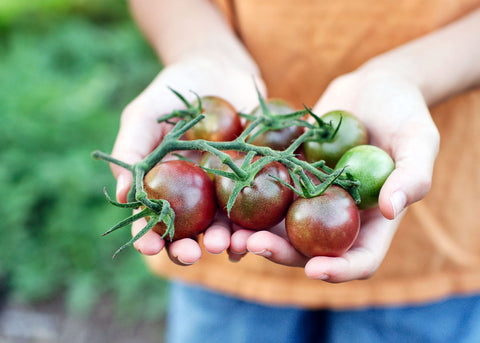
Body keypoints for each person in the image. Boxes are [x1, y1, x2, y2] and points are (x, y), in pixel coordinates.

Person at [110, 0, 480, 342]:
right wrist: (202, 49)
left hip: (434, 252)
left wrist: (411, 75)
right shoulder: (238, 174)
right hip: (225, 264)